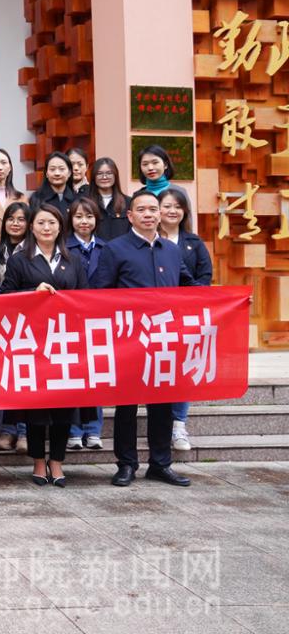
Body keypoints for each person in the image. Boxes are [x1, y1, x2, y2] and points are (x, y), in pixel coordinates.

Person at [92, 191, 194, 487]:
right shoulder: (115, 249)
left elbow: (189, 286)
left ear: (160, 214)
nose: (148, 214)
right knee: (126, 407)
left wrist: (229, 300)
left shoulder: (171, 250)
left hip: (164, 339)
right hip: (128, 341)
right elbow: (100, 292)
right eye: (142, 210)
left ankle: (160, 464)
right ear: (130, 215)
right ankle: (126, 464)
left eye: (153, 209)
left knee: (162, 406)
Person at [1, 204, 94, 487]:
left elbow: (85, 298)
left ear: (60, 227)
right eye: (41, 222)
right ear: (31, 227)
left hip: (65, 342)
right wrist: (32, 293)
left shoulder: (72, 260)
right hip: (32, 342)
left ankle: (57, 461)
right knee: (36, 408)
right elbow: (5, 297)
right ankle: (38, 461)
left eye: (52, 222)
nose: (46, 228)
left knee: (63, 406)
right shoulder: (20, 260)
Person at [158, 186, 214, 452]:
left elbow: (204, 279)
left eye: (177, 206)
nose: (172, 211)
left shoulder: (194, 243)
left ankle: (179, 424)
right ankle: (159, 425)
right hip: (152, 318)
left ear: (185, 211)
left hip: (184, 316)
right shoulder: (146, 240)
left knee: (182, 371)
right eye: (167, 206)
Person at [66, 196, 106, 451]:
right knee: (72, 374)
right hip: (70, 320)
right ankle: (74, 430)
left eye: (89, 216)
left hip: (98, 319)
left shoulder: (106, 248)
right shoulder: (63, 248)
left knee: (95, 375)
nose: (84, 221)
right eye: (79, 216)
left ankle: (93, 430)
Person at [0, 200, 31, 454]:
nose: (15, 224)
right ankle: (7, 429)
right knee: (4, 376)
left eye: (21, 220)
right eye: (11, 219)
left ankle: (25, 431)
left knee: (24, 376)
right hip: (0, 320)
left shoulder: (34, 251)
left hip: (28, 321)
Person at [88, 157, 130, 240]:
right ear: (94, 177)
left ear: (115, 175)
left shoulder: (128, 202)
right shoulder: (86, 203)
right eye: (99, 173)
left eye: (109, 173)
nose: (104, 177)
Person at [29, 151, 78, 218]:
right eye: (52, 169)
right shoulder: (36, 198)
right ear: (46, 173)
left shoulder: (77, 198)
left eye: (61, 169)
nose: (57, 173)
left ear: (69, 173)